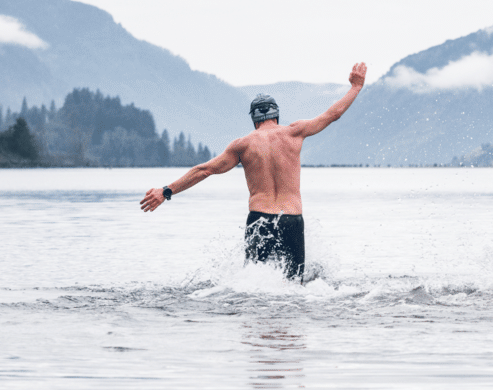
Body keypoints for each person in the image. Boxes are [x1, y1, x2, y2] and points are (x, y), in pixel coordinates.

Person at [139, 62, 367, 281]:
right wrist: (355, 87)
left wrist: (166, 191)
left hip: (260, 219)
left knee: (253, 287)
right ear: (276, 115)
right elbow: (332, 114)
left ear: (254, 120)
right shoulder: (294, 132)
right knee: (294, 289)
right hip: (292, 220)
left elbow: (204, 170)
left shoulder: (242, 145)